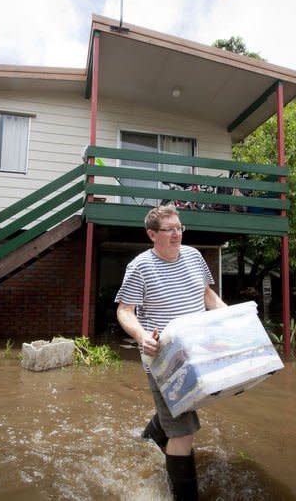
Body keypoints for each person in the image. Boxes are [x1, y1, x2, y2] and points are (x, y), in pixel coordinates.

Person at [115, 205, 227, 500]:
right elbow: (124, 311)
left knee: (182, 408)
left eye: (179, 227)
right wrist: (141, 336)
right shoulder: (140, 266)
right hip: (163, 359)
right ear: (152, 235)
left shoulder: (194, 256)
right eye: (169, 229)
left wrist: (231, 319)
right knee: (183, 432)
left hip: (196, 353)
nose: (177, 234)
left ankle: (151, 435)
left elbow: (207, 296)